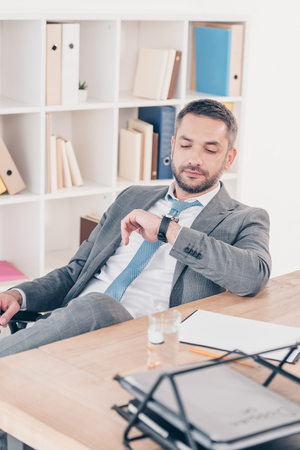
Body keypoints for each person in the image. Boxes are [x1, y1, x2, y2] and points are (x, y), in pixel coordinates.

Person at [0, 99, 271, 357]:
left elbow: (253, 276)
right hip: (70, 324)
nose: (195, 159)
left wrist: (168, 230)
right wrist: (20, 294)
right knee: (89, 307)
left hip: (141, 341)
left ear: (229, 158)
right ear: (173, 146)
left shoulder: (244, 218)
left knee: (99, 306)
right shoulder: (132, 197)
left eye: (210, 150)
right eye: (186, 145)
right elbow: (76, 272)